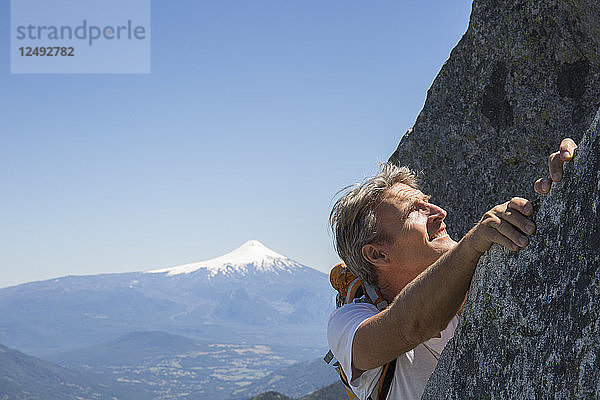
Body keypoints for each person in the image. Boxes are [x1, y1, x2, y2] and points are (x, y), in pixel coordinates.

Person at [327, 139, 578, 400]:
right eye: (414, 210)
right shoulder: (347, 323)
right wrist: (472, 245)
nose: (440, 212)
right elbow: (408, 326)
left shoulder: (477, 277)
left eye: (427, 202)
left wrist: (566, 190)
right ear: (377, 254)